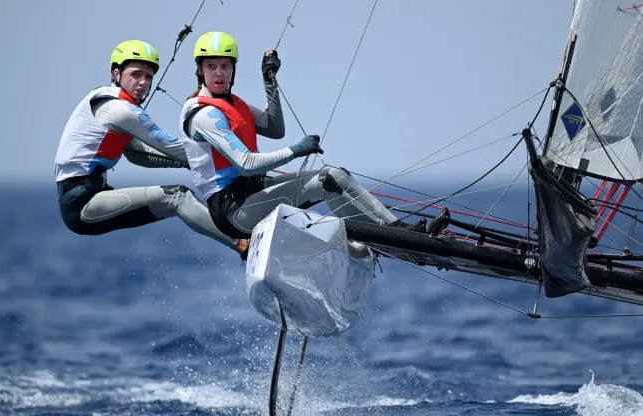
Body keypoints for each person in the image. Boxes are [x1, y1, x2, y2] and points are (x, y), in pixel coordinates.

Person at [178, 32, 451, 241]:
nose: (218, 73)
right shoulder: (204, 115)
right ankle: (386, 237)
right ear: (200, 70)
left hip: (253, 194)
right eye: (211, 66)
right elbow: (245, 164)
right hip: (234, 213)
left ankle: (398, 231)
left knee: (336, 174)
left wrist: (269, 81)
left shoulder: (234, 104)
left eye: (224, 66)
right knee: (324, 181)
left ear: (233, 69)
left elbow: (275, 129)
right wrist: (296, 150)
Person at [54, 39, 249, 257]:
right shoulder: (120, 110)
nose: (143, 82)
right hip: (81, 204)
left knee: (174, 200)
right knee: (177, 196)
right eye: (136, 74)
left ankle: (244, 235)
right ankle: (243, 244)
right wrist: (234, 159)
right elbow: (171, 147)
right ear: (116, 73)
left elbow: (140, 156)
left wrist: (190, 163)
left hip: (87, 199)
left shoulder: (109, 101)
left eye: (148, 77)